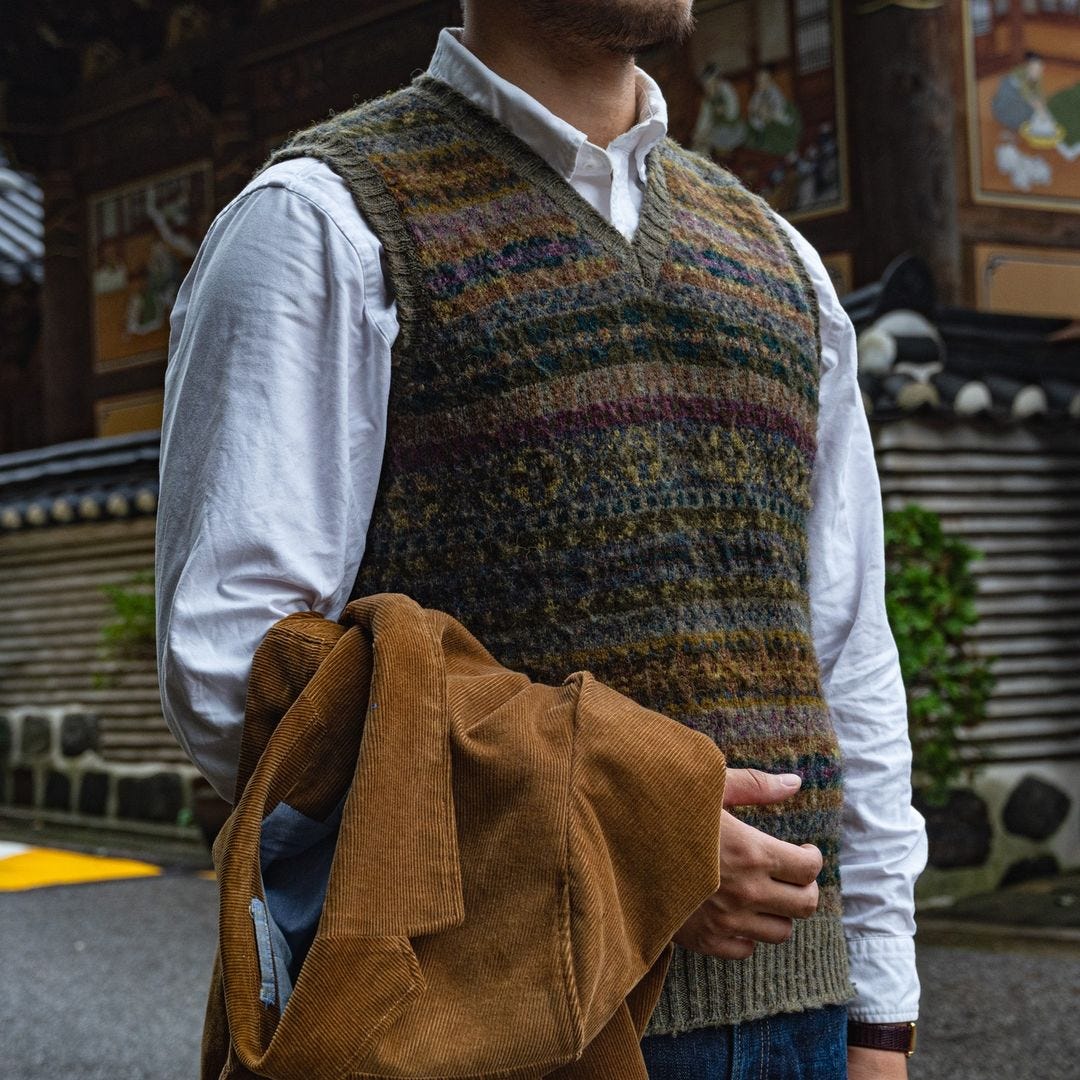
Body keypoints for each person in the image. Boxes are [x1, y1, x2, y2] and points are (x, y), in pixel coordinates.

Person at [155, 2, 926, 1077]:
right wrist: (626, 830)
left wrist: (882, 1013)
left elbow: (847, 650)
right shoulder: (319, 222)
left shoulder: (780, 262)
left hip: (800, 1011)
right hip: (484, 1018)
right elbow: (238, 667)